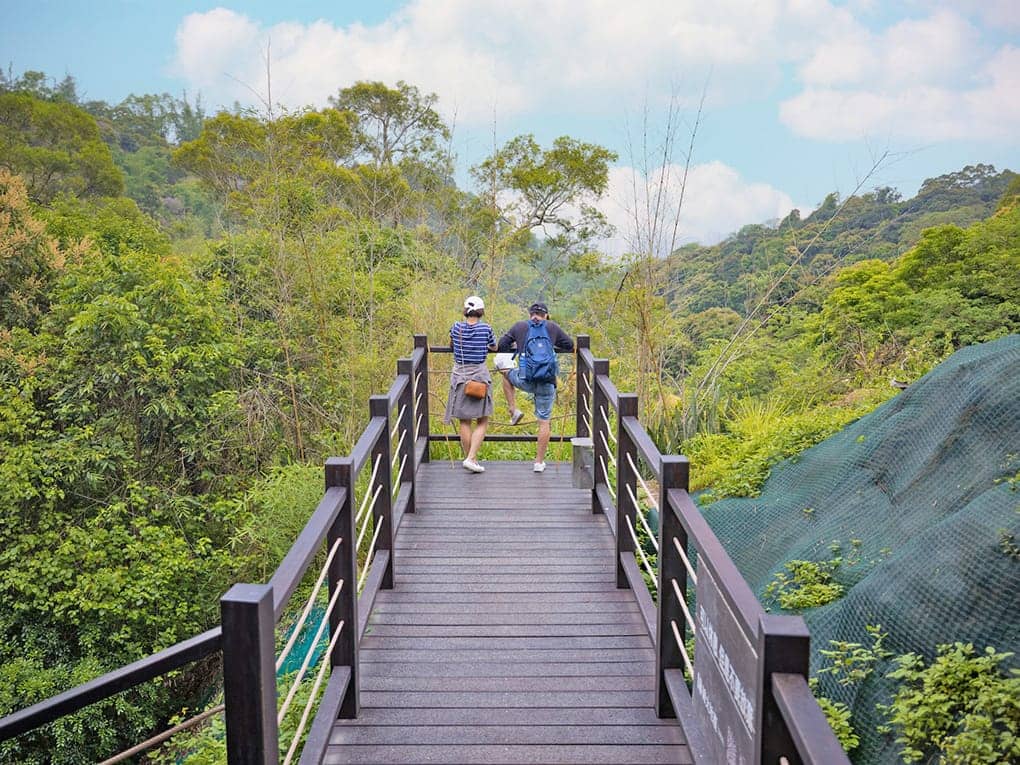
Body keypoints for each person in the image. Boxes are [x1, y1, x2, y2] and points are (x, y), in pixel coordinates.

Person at [496, 301, 574, 472]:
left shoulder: (520, 326)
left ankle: (513, 410)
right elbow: (569, 345)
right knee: (544, 421)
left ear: (530, 314)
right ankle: (538, 463)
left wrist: (517, 344)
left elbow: (502, 345)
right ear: (546, 315)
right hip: (547, 382)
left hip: (526, 379)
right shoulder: (552, 327)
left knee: (505, 371)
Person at [444, 295, 497, 473]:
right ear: (481, 311)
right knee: (482, 419)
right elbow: (494, 346)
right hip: (479, 377)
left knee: (464, 421)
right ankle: (471, 458)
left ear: (465, 310)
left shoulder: (456, 327)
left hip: (460, 376)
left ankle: (470, 459)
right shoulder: (485, 329)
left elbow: (451, 345)